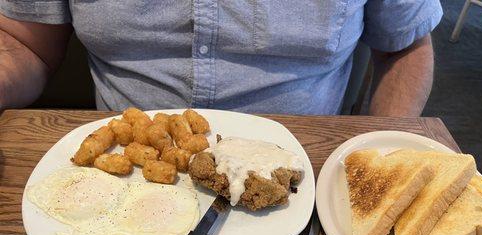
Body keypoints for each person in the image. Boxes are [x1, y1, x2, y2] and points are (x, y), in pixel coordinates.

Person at [0, 1, 442, 117]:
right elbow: (26, 45)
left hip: (307, 176)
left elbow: (404, 45)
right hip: (124, 175)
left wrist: (386, 149)